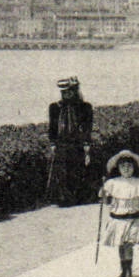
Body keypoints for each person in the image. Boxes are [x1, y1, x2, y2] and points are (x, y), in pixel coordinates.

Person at [99, 150, 139, 277]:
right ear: (118, 168)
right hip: (117, 219)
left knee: (128, 244)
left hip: (133, 218)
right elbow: (107, 202)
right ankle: (123, 270)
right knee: (120, 245)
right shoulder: (112, 183)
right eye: (123, 166)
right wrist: (104, 194)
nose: (126, 169)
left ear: (134, 167)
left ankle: (129, 271)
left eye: (129, 166)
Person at [46, 77, 94, 206]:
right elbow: (52, 126)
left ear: (75, 91)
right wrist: (52, 143)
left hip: (77, 143)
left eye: (70, 91)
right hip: (62, 143)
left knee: (77, 169)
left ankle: (79, 197)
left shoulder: (85, 107)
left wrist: (86, 143)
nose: (67, 94)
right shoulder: (55, 107)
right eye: (64, 92)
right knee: (62, 171)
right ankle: (63, 199)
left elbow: (87, 127)